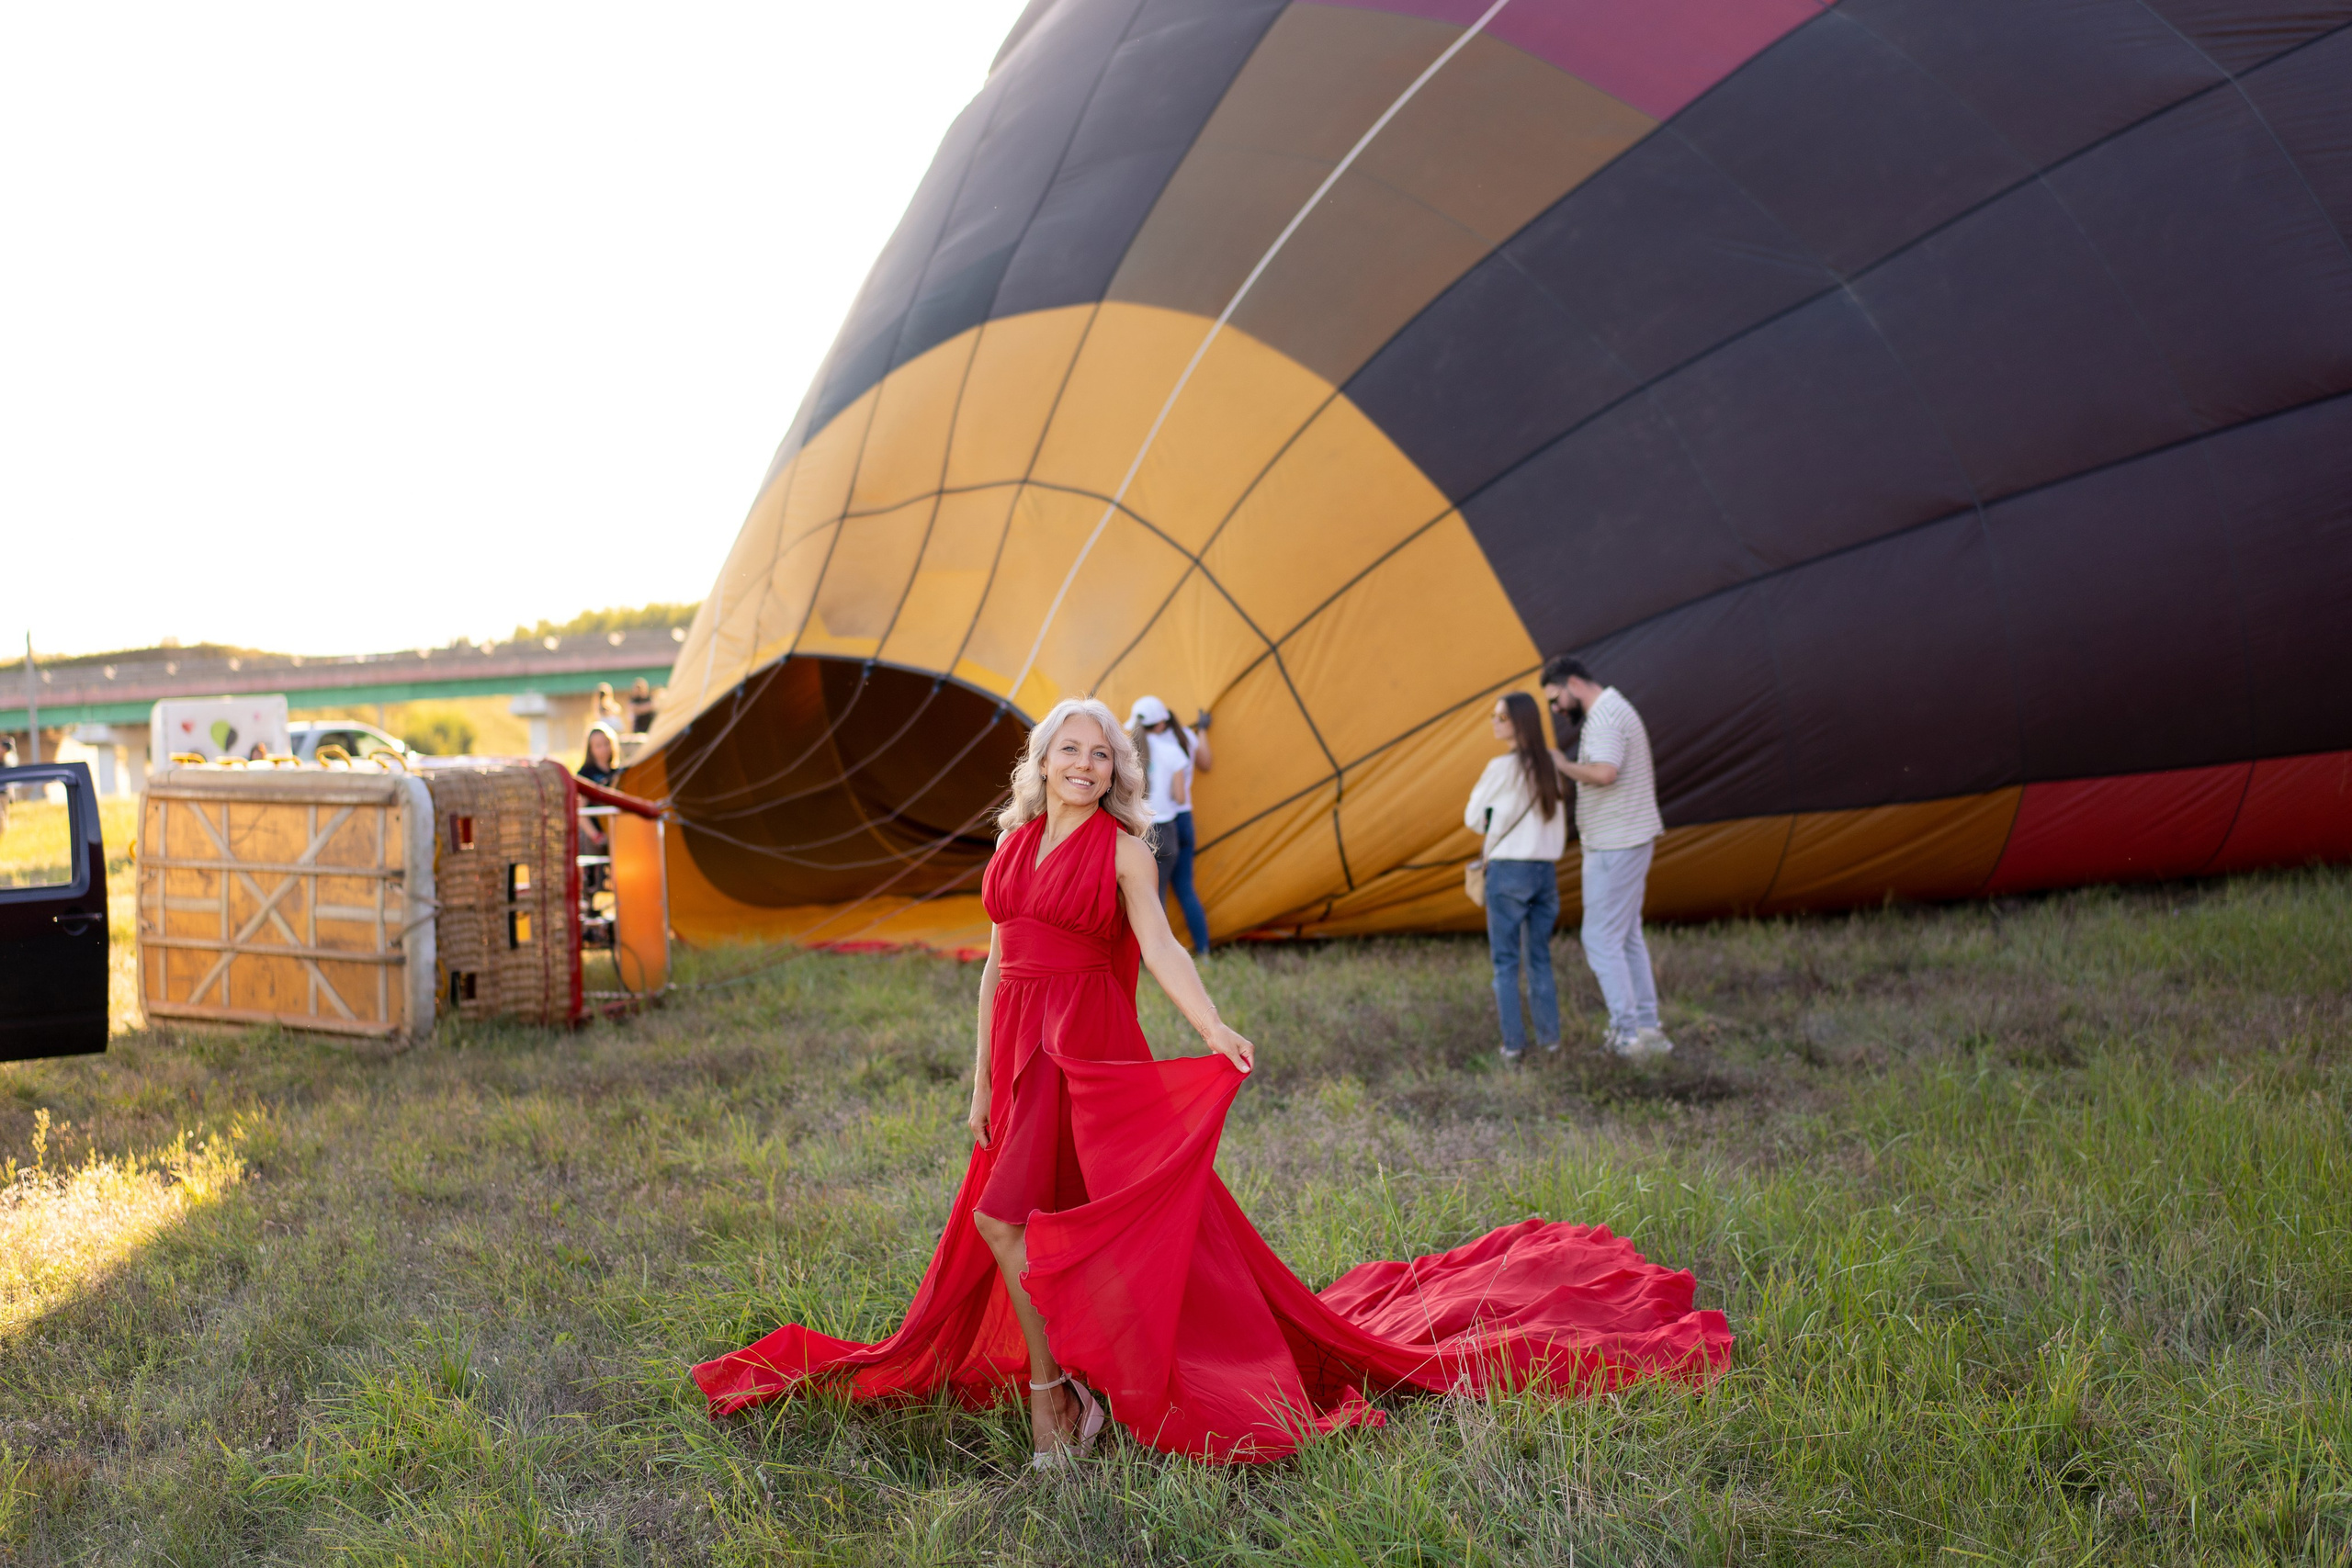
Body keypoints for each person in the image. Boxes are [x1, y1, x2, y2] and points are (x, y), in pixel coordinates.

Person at [691, 698, 1731, 1467]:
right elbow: (999, 968)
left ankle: (1061, 1405)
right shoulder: (1008, 843)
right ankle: (1081, 1392)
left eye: (1104, 755)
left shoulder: (1123, 853)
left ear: (1117, 773)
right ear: (1042, 756)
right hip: (1016, 1054)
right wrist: (977, 1084)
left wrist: (1211, 1022)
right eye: (1071, 748)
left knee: (1016, 1224)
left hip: (1085, 1056)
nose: (1087, 764)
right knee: (1030, 1218)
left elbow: (1161, 951)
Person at [1544, 655, 1671, 1059]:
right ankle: (1648, 1030)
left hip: (1616, 843)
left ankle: (1626, 1037)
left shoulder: (1604, 717)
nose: (1555, 708)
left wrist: (1564, 765)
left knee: (1599, 939)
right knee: (1627, 936)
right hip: (1628, 837)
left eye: (1555, 698)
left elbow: (1605, 772)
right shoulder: (1616, 707)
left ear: (1575, 684)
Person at [1464, 691, 1568, 1062]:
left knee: (1506, 963)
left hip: (1509, 872)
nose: (1494, 722)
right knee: (1539, 958)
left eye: (1501, 717)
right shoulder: (1553, 765)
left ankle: (1513, 1045)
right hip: (1545, 872)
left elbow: (1474, 818)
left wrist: (1495, 820)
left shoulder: (1500, 768)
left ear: (1518, 723)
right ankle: (1550, 1040)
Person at [1126, 695, 1213, 955]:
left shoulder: (1132, 752)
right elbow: (1181, 796)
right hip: (1177, 821)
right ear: (1162, 722)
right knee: (1184, 888)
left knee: (1151, 894)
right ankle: (1204, 950)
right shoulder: (1181, 742)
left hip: (1148, 827)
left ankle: (1154, 954)